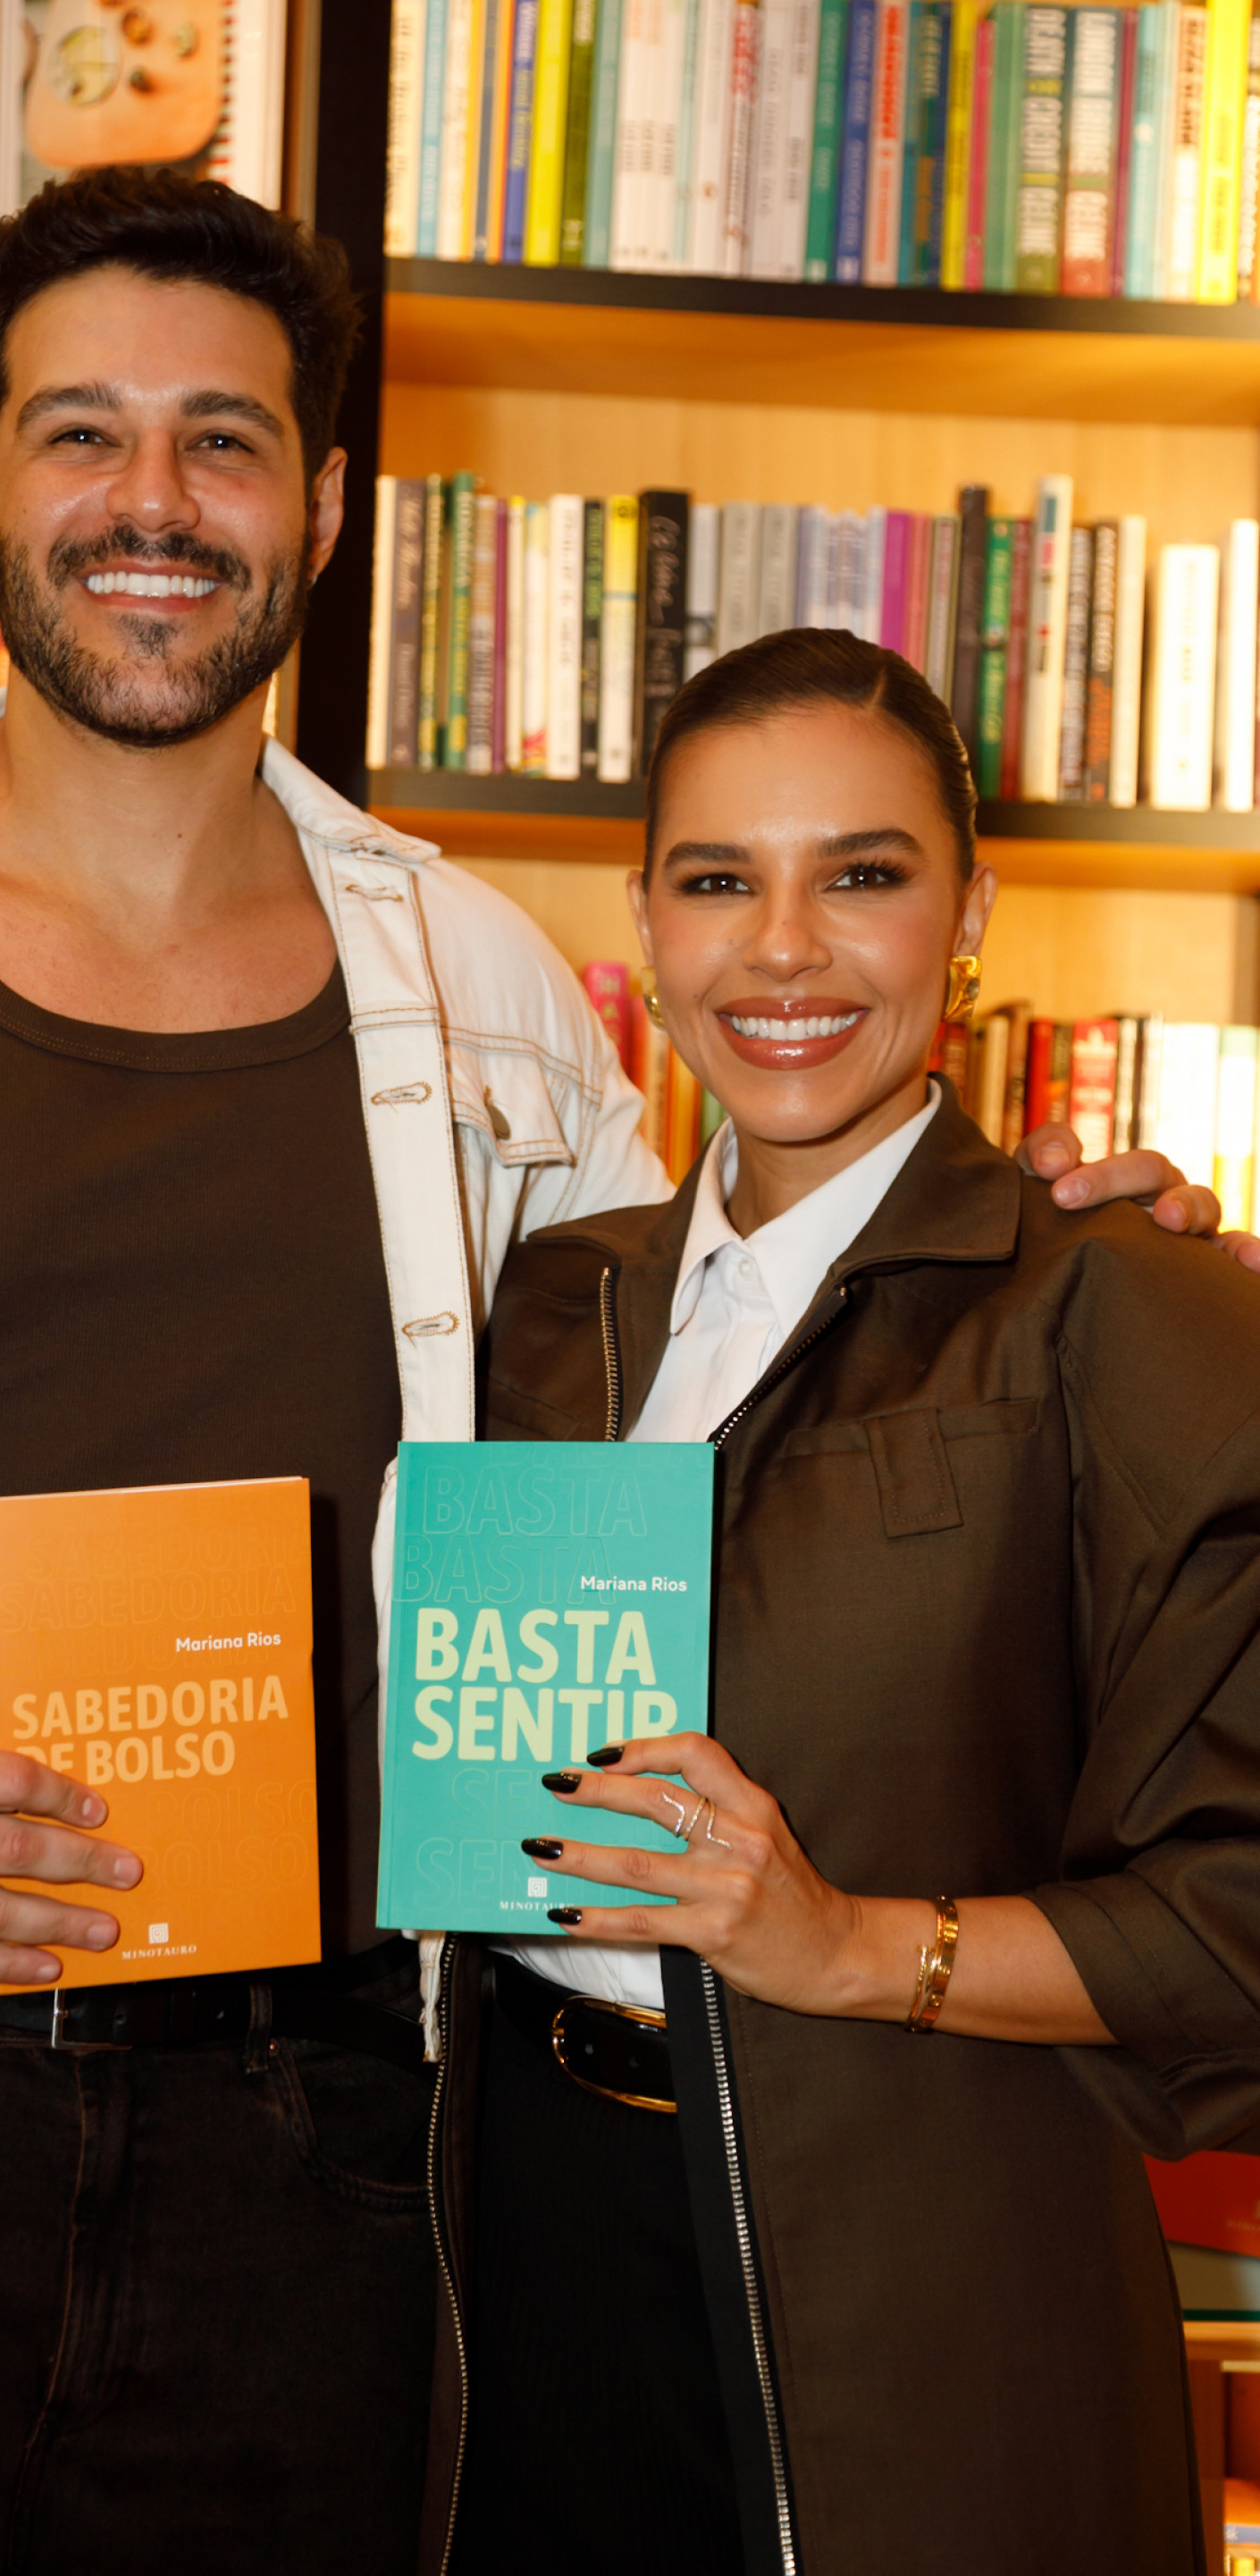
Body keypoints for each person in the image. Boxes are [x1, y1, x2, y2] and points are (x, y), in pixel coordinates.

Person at [0, 173, 1219, 2570]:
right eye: (81, 433)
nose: (149, 501)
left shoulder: (491, 995)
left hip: (330, 2156)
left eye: (221, 441)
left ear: (326, 506)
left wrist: (1039, 1234)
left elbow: (731, 1373)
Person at [451, 624, 1260, 2576]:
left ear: (968, 917)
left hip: (919, 2275)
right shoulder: (554, 1305)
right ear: (646, 923)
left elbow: (1237, 1917)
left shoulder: (1131, 1303)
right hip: (526, 2244)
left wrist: (848, 1945)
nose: (784, 950)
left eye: (863, 875)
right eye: (720, 880)